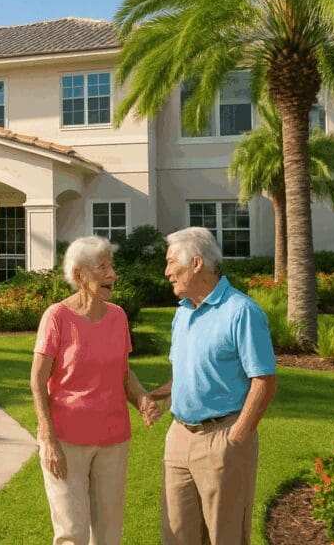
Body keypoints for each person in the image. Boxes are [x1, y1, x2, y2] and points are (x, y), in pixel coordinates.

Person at [147, 226, 277, 544]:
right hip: (178, 438)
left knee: (225, 535)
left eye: (170, 262)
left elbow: (264, 380)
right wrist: (154, 396)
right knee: (176, 535)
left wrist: (236, 438)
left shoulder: (241, 312)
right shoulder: (182, 315)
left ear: (196, 263)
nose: (166, 272)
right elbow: (186, 374)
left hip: (223, 438)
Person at [30, 235, 159, 545]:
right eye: (102, 267)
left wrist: (142, 399)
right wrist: (48, 438)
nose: (111, 274)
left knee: (107, 534)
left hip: (113, 440)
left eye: (111, 266)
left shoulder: (118, 317)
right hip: (65, 441)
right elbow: (37, 381)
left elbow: (123, 374)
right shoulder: (57, 317)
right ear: (79, 275)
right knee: (72, 532)